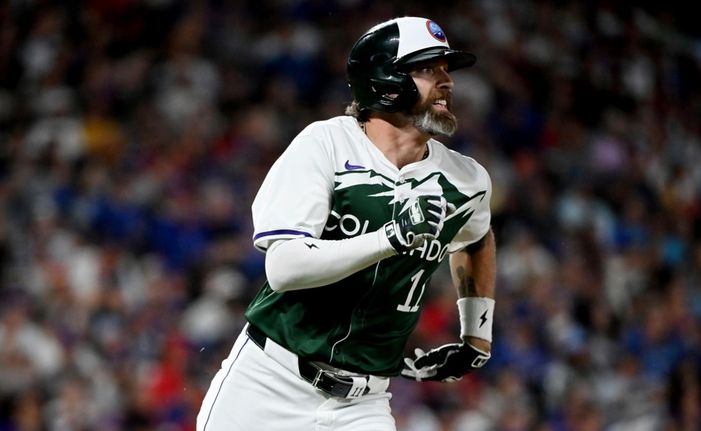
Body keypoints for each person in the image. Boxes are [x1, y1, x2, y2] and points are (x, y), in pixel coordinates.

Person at [196, 16, 496, 430]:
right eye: (428, 68)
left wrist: (475, 335)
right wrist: (391, 237)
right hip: (268, 382)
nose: (447, 81)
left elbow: (476, 238)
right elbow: (284, 268)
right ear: (384, 79)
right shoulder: (325, 145)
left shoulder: (467, 180)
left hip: (363, 406)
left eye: (446, 70)